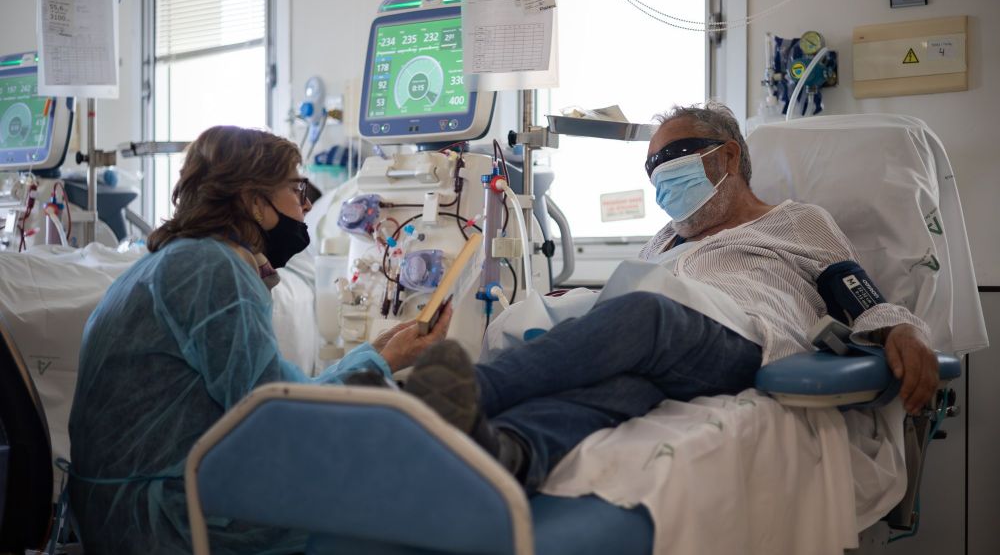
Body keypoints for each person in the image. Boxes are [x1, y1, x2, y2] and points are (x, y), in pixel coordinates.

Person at [400, 101, 940, 494]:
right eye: (651, 168)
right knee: (626, 387)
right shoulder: (663, 242)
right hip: (672, 351)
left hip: (744, 332)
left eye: (675, 156)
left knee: (645, 313)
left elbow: (862, 299)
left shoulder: (797, 221)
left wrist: (906, 331)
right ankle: (509, 450)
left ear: (728, 156)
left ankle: (439, 404)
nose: (661, 174)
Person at [68, 126, 452, 555]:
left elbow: (268, 392)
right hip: (159, 522)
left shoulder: (183, 259)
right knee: (389, 494)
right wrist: (381, 367)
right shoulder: (209, 269)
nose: (306, 204)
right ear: (253, 201)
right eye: (296, 188)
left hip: (130, 503)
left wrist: (376, 354)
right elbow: (274, 413)